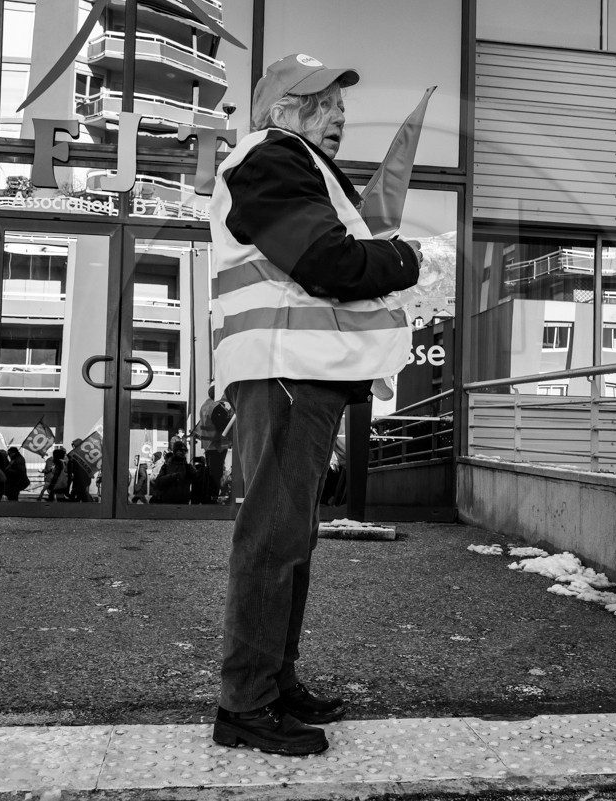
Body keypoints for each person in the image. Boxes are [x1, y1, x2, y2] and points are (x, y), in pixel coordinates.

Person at [208, 53, 421, 755]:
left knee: (289, 536)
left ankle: (273, 681)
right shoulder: (272, 157)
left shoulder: (288, 162)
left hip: (294, 372)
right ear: (280, 112)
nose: (337, 116)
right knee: (274, 536)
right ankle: (246, 703)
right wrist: (407, 260)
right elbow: (328, 262)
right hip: (284, 370)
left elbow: (318, 260)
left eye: (340, 105)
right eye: (320, 103)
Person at [196, 385, 231, 504]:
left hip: (209, 444)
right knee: (216, 473)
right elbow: (222, 426)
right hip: (217, 444)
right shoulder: (216, 407)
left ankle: (206, 498)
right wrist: (231, 417)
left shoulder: (206, 405)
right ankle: (212, 498)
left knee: (210, 472)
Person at [67, 438, 93, 502]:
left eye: (75, 446)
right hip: (78, 476)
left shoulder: (82, 454)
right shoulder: (76, 454)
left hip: (82, 476)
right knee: (80, 491)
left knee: (81, 491)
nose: (74, 447)